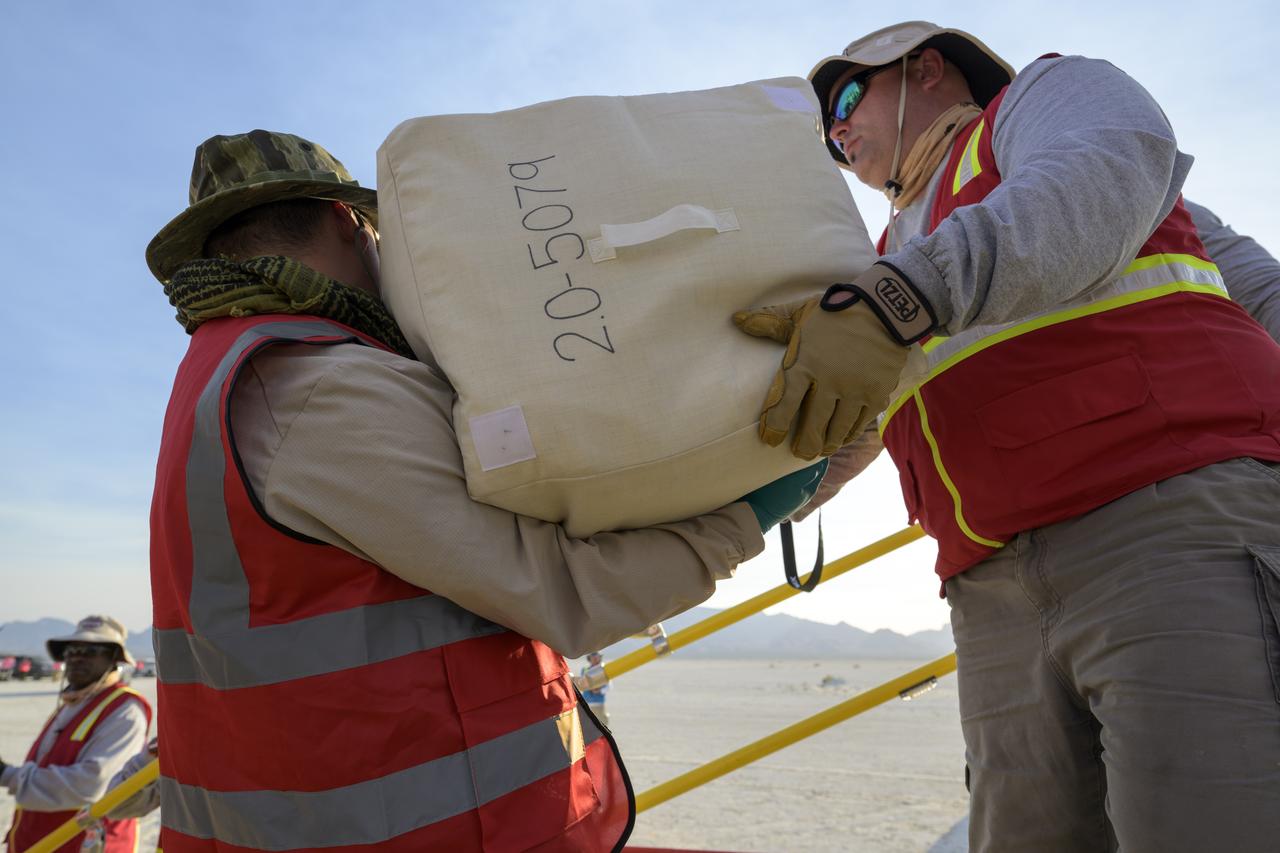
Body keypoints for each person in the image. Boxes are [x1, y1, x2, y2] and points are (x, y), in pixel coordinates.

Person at [144, 130, 824, 852]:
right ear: (349, 222)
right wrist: (750, 509)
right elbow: (565, 589)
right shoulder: (314, 385)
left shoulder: (225, 375)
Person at [733, 21, 1280, 852]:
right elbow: (854, 416)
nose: (837, 134)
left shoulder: (1045, 110)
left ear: (926, 68)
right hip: (992, 599)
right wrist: (731, 501)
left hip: (1170, 536)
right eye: (827, 137)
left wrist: (893, 301)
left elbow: (1109, 168)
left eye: (846, 99)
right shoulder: (882, 259)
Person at [2, 615, 152, 853]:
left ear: (113, 659)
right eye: (71, 650)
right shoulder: (73, 703)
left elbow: (93, 785)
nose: (76, 657)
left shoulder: (125, 710)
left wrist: (9, 775)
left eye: (91, 650)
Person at [579, 652, 610, 725]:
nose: (595, 658)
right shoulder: (585, 670)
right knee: (586, 725)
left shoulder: (603, 669)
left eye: (597, 656)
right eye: (593, 656)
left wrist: (599, 691)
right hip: (586, 703)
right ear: (589, 658)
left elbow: (608, 686)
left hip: (598, 703)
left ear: (600, 658)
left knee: (602, 725)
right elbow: (580, 684)